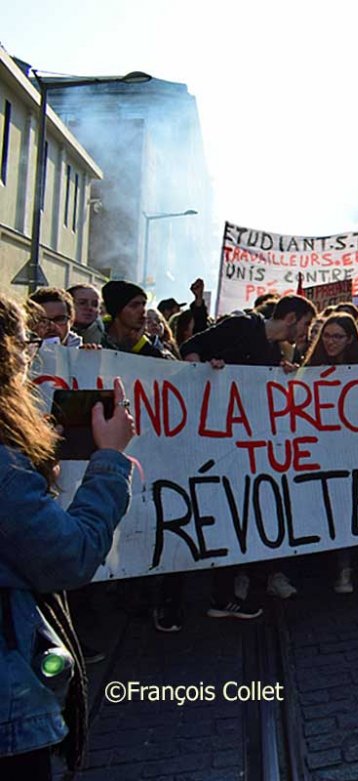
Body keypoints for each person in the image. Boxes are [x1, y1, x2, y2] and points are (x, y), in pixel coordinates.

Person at [0, 293, 135, 778]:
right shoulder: (5, 472)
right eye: (24, 347)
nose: (28, 361)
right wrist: (111, 460)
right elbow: (71, 554)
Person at [169, 294, 318, 628]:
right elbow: (191, 346)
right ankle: (170, 602)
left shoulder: (272, 352)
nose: (307, 332)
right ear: (291, 318)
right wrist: (202, 373)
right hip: (204, 440)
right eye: (306, 324)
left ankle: (222, 597)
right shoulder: (242, 325)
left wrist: (282, 376)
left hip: (236, 448)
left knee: (228, 515)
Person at [301, 314, 358, 594]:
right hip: (332, 450)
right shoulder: (313, 366)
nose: (331, 341)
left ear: (351, 339)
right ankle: (344, 570)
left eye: (337, 337)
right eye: (327, 336)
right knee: (343, 507)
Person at [100, 281, 169, 359]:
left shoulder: (151, 344)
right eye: (134, 305)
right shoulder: (94, 336)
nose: (143, 311)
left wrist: (139, 346)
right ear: (117, 311)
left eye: (143, 304)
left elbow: (171, 367)